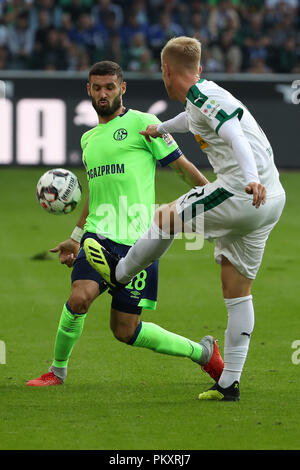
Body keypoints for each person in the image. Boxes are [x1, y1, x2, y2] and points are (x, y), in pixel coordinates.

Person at [83, 39, 286, 401]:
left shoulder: (205, 99)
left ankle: (119, 273)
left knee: (163, 217)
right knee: (236, 290)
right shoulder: (203, 94)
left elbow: (232, 132)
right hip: (271, 200)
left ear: (165, 71)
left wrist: (250, 177)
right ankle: (229, 384)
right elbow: (191, 119)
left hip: (243, 190)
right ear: (198, 69)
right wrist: (161, 129)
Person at [27, 60, 224, 387]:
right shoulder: (89, 139)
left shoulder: (143, 123)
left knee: (125, 331)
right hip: (97, 239)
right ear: (88, 90)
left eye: (109, 87)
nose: (103, 93)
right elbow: (96, 190)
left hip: (140, 244)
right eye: (97, 88)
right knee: (79, 298)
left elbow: (181, 166)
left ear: (122, 88)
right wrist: (76, 236)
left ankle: (203, 353)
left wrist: (217, 198)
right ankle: (57, 371)